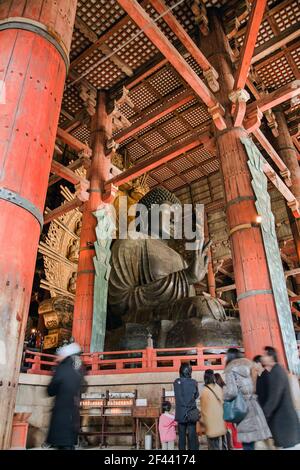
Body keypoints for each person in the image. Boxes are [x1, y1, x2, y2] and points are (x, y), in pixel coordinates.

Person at [223, 348, 271, 450]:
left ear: (230, 357)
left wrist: (224, 395)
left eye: (226, 356)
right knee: (251, 442)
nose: (224, 358)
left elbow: (232, 392)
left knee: (247, 442)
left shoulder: (230, 370)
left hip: (242, 408)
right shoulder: (248, 366)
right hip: (253, 406)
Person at [46, 342, 84, 450]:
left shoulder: (61, 368)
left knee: (62, 442)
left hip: (61, 412)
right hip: (73, 411)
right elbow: (82, 386)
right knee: (69, 444)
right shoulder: (78, 369)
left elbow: (50, 390)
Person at [262, 346, 300, 449]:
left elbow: (274, 397)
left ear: (271, 357)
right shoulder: (276, 371)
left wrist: (264, 414)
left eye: (265, 354)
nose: (263, 357)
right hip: (283, 421)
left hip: (284, 422)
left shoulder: (276, 372)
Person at [173, 363, 199, 450]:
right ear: (189, 371)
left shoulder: (176, 382)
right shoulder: (194, 382)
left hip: (181, 413)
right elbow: (196, 395)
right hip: (191, 412)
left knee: (182, 437)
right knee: (192, 436)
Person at [200, 369, 226, 450]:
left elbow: (204, 410)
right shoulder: (218, 388)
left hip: (211, 424)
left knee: (213, 447)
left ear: (205, 378)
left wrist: (201, 423)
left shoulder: (205, 391)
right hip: (220, 421)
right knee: (219, 445)